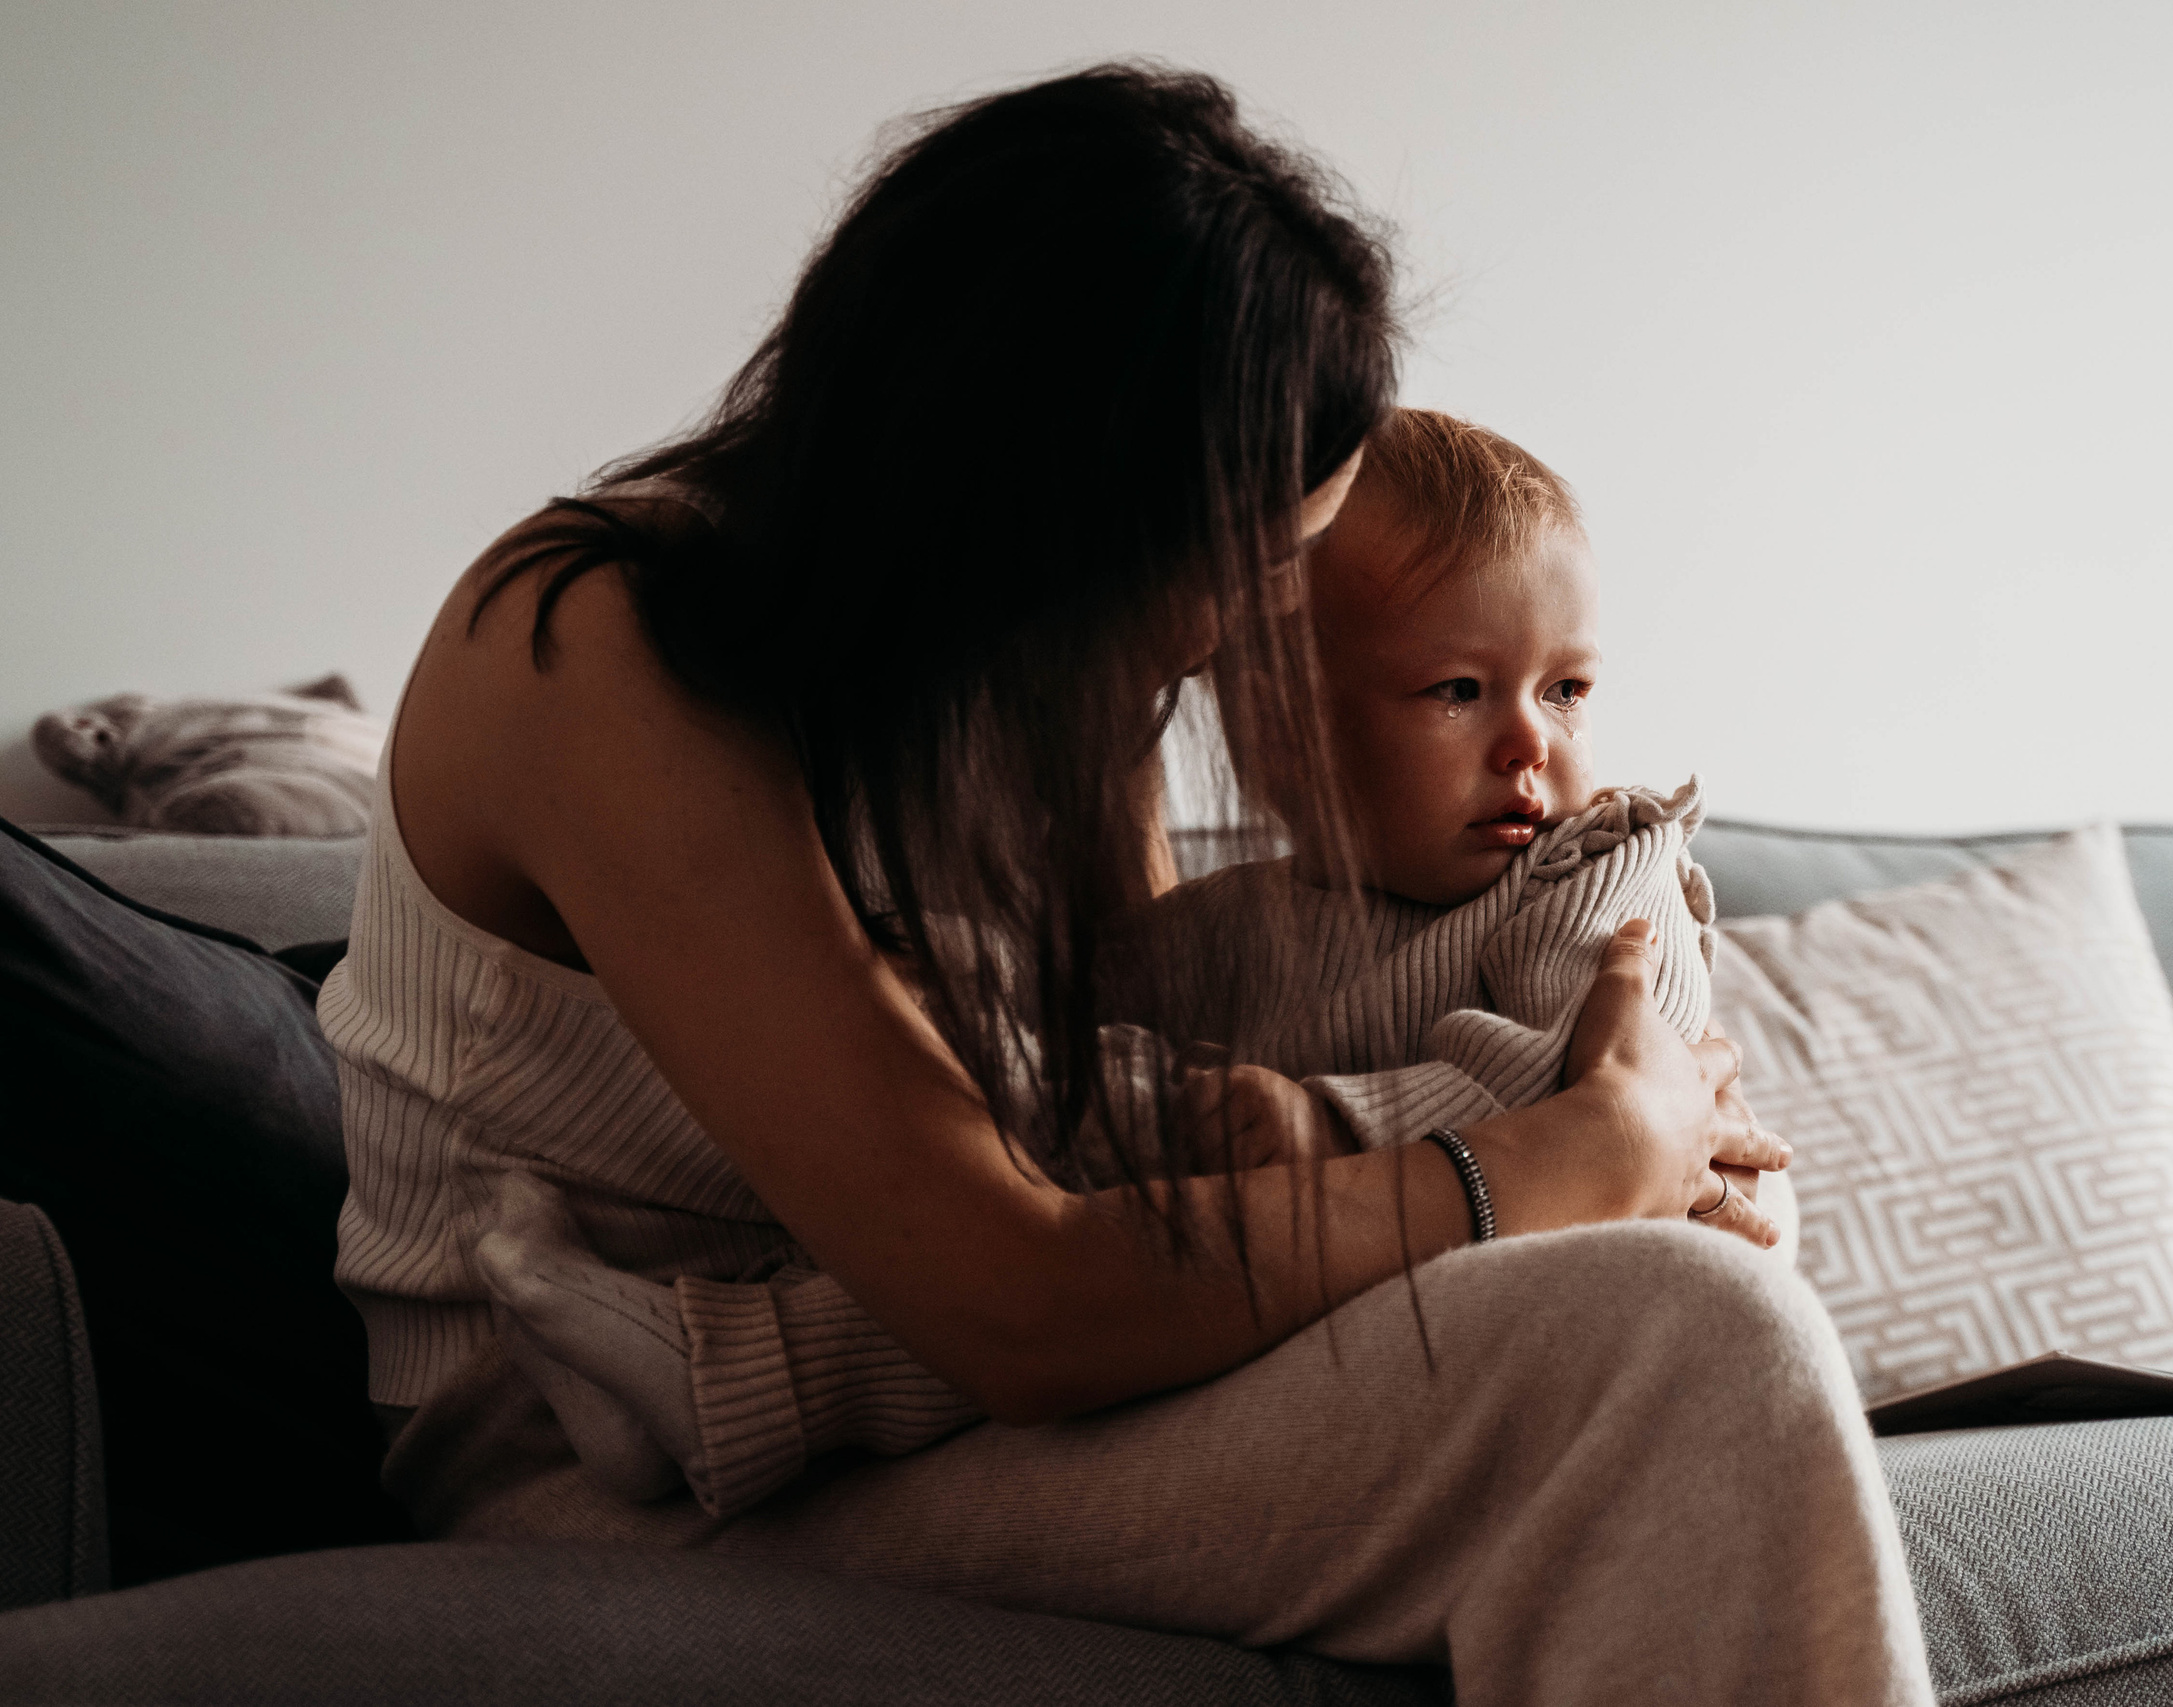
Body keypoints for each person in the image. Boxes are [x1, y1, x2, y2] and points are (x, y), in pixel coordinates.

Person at [323, 64, 1934, 1706]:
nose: (1231, 634)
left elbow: (1153, 1137)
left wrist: (1684, 1179)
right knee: (1680, 1361)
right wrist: (1559, 1159)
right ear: (1049, 501)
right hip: (613, 1459)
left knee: (1691, 1305)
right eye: (1231, 565)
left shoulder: (1051, 685)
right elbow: (1016, 1293)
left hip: (965, 1395)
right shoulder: (588, 649)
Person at [465, 406, 1803, 1518]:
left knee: (1184, 1235)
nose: (1530, 746)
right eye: (1457, 691)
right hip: (1311, 1294)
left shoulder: (1595, 868)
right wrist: (940, 992)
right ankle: (717, 1373)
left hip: (1523, 1271)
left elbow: (1618, 1111)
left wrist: (1320, 1122)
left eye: (1564, 690)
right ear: (1280, 735)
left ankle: (732, 1378)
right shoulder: (1233, 921)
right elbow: (1067, 1048)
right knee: (1099, 1224)